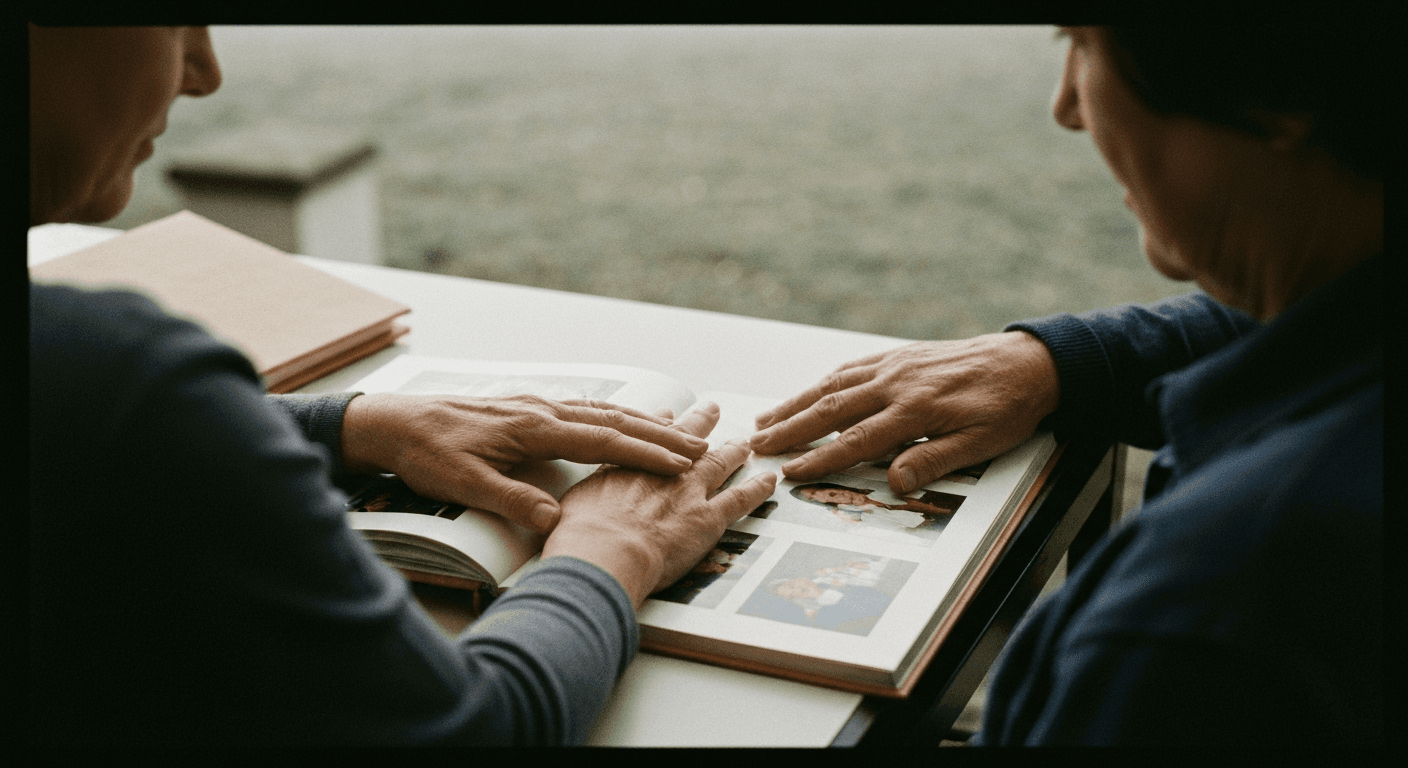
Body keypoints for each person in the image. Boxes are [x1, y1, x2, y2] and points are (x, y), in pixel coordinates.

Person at [28, 26, 777, 745]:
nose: (204, 71)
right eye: (173, 19)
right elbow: (474, 730)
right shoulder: (117, 376)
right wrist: (612, 552)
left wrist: (349, 424)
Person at [750, 25, 1382, 744]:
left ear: (1278, 90)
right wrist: (1065, 360)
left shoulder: (1206, 621)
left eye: (1084, 43)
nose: (1068, 108)